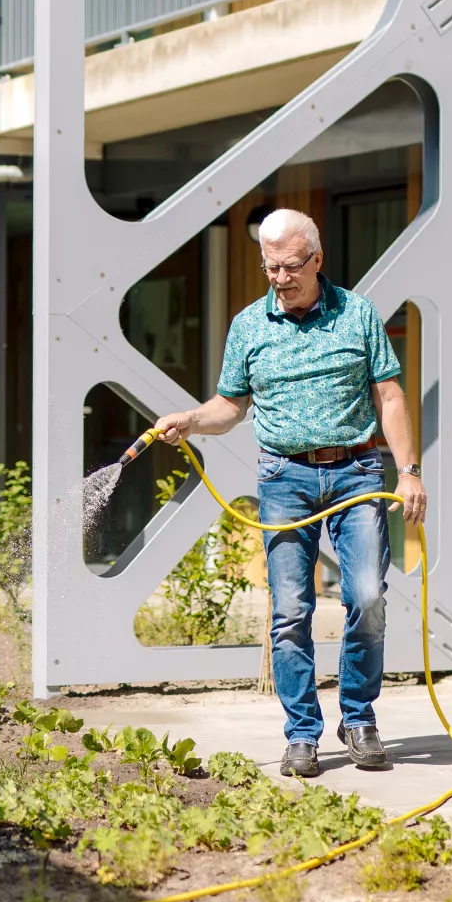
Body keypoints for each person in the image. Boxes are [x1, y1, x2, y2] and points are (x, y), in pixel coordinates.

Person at [155, 208, 426, 778]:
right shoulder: (248, 326)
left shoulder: (357, 314)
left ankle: (359, 719)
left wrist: (408, 472)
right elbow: (230, 406)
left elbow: (390, 397)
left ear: (317, 260)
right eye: (270, 267)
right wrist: (191, 420)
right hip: (284, 479)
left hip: (355, 472)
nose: (280, 278)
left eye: (291, 266)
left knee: (367, 599)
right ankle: (302, 733)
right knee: (290, 612)